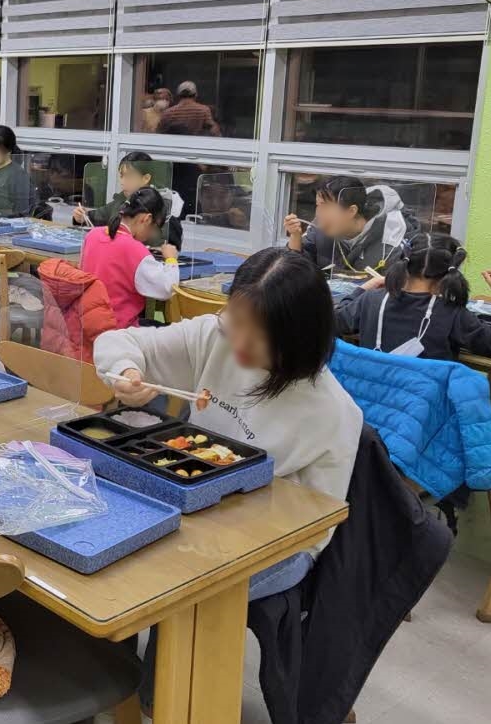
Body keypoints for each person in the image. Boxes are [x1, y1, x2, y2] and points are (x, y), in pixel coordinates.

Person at [98, 246, 362, 559]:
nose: (239, 342)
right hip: (184, 510)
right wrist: (125, 372)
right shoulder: (214, 336)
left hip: (259, 546)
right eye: (236, 320)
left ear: (300, 337)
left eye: (260, 335)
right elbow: (117, 342)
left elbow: (315, 534)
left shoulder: (334, 414)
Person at [334, 233, 491, 362]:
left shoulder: (371, 300)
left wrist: (361, 290)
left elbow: (333, 322)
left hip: (371, 401)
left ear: (404, 262)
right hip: (426, 408)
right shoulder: (452, 313)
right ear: (450, 272)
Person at [81, 188, 179, 329]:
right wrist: (171, 260)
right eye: (155, 228)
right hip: (119, 330)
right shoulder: (136, 250)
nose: (151, 235)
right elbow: (167, 289)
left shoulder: (92, 235)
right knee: (173, 331)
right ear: (147, 219)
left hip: (87, 325)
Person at [286, 175, 416, 274]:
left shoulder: (391, 238)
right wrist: (295, 237)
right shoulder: (319, 227)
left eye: (325, 206)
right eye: (317, 205)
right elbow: (294, 271)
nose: (318, 213)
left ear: (351, 211)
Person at [73, 151, 184, 247]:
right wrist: (81, 217)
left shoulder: (161, 208)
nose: (123, 182)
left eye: (129, 176)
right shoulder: (120, 201)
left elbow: (170, 247)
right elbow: (95, 217)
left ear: (146, 178)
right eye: (121, 176)